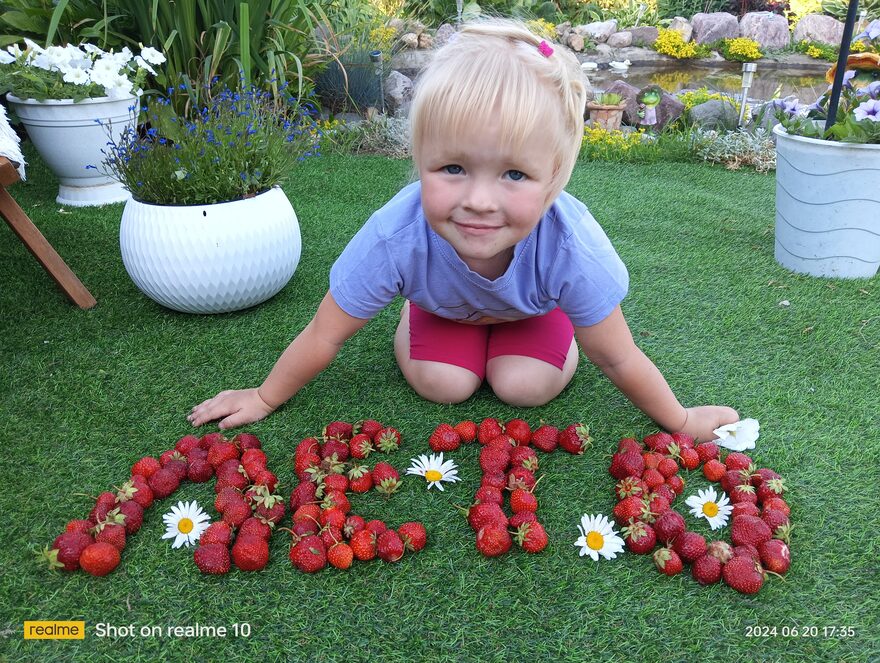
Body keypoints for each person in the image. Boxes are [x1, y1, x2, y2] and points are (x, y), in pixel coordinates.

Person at [188, 19, 738, 441]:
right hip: (443, 310)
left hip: (531, 312)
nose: (478, 201)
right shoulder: (395, 236)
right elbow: (325, 334)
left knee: (525, 388)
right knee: (444, 386)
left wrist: (681, 419)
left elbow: (618, 356)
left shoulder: (571, 246)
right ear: (418, 159)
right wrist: (263, 396)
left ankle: (544, 323)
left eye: (515, 174)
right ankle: (416, 306)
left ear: (552, 181)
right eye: (452, 168)